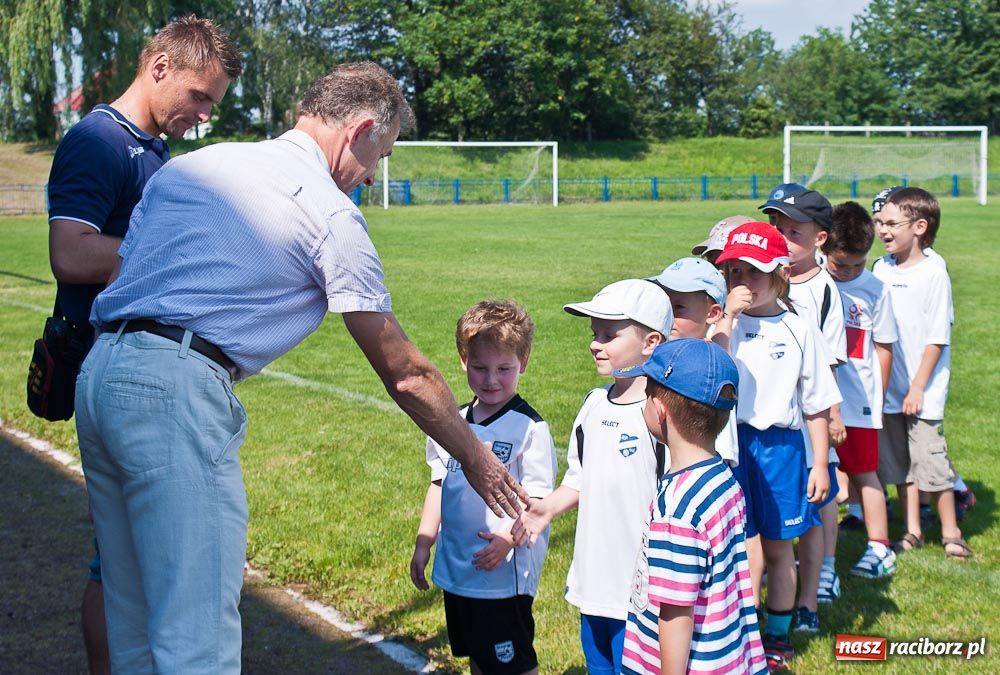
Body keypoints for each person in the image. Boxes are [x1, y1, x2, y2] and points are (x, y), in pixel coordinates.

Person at [75, 62, 529, 673]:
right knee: (196, 637)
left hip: (101, 373)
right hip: (175, 390)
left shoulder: (194, 165)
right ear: (361, 129)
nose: (372, 176)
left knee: (130, 622)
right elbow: (406, 372)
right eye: (381, 155)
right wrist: (475, 457)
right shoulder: (329, 212)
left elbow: (130, 267)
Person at [45, 16, 242, 673]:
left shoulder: (151, 149)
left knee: (125, 560)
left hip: (133, 370)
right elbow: (69, 253)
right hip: (117, 368)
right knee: (118, 568)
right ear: (160, 68)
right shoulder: (98, 141)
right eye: (199, 97)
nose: (203, 115)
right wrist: (169, 254)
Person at [511, 278, 672, 675]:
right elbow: (580, 477)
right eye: (594, 333)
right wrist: (545, 509)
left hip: (643, 590)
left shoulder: (664, 413)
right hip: (595, 582)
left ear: (651, 341)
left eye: (609, 334)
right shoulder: (594, 404)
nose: (595, 343)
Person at [712, 221, 840, 672]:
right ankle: (740, 630)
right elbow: (713, 371)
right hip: (729, 446)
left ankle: (778, 635)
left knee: (779, 545)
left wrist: (819, 464)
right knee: (742, 547)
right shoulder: (723, 325)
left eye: (753, 272)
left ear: (780, 273)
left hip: (782, 448)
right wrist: (725, 317)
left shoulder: (800, 328)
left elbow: (817, 404)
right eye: (733, 274)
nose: (742, 283)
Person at [410, 300, 556, 675]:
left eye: (504, 369)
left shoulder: (529, 429)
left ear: (523, 364)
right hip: (459, 570)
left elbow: (538, 500)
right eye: (480, 368)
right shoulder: (452, 423)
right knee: (479, 657)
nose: (491, 379)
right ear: (463, 360)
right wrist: (425, 540)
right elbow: (439, 483)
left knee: (514, 665)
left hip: (501, 577)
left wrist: (508, 538)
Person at [617, 338, 767, 675]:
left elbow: (675, 611)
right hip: (729, 657)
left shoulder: (677, 507)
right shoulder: (723, 478)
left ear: (659, 410)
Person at [760, 183, 845, 628]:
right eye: (776, 227)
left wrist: (831, 419)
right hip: (768, 425)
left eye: (792, 232)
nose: (781, 238)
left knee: (811, 513)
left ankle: (809, 599)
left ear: (819, 239)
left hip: (807, 423)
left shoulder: (823, 290)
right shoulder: (762, 280)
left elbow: (826, 365)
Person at [871, 186, 972, 560]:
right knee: (901, 466)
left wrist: (917, 388)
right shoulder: (880, 268)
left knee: (931, 461)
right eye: (879, 222)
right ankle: (912, 529)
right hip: (890, 389)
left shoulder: (933, 271)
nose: (883, 230)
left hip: (922, 390)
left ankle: (951, 532)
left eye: (892, 223)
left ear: (919, 226)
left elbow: (936, 338)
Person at [822, 201, 898, 578]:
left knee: (865, 471)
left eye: (858, 264)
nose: (850, 272)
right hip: (819, 399)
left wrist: (877, 396)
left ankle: (880, 548)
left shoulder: (876, 290)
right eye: (841, 264)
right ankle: (817, 550)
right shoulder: (813, 283)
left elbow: (883, 346)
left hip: (859, 402)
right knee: (818, 471)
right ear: (824, 250)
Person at [649, 257, 738, 465]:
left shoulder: (710, 373)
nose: (667, 315)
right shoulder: (656, 355)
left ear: (713, 313)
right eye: (665, 304)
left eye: (678, 307)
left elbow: (719, 454)